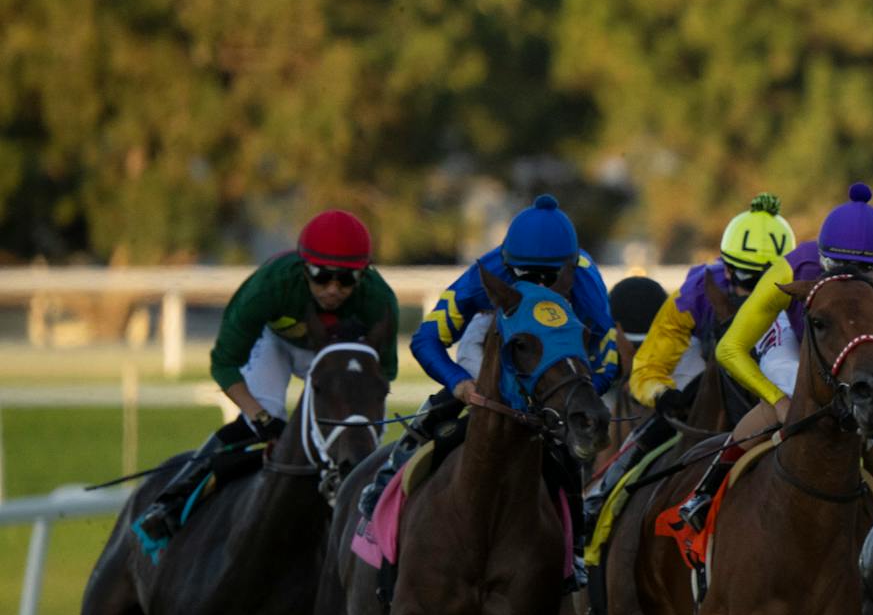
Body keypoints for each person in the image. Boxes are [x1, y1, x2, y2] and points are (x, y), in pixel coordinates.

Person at [673, 183, 873, 530]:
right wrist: (777, 403)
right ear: (822, 260)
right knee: (789, 379)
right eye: (838, 266)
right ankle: (704, 492)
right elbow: (729, 349)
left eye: (864, 272)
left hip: (850, 349)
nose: (849, 280)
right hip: (795, 334)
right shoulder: (791, 269)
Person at [135, 210, 398, 546]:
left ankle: (374, 518)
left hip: (339, 355)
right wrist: (260, 417)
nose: (333, 289)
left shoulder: (378, 300)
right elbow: (224, 364)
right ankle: (173, 501)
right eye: (321, 277)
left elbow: (383, 374)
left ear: (364, 275)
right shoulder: (269, 287)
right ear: (304, 268)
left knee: (354, 433)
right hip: (277, 344)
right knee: (258, 423)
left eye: (346, 279)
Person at [359, 194, 617, 530]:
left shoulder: (585, 283)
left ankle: (577, 538)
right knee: (451, 402)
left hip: (557, 350)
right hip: (495, 334)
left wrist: (572, 396)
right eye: (525, 275)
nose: (536, 287)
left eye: (547, 278)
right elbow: (427, 339)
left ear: (567, 271)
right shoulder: (488, 272)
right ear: (508, 265)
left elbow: (607, 361)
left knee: (568, 446)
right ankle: (391, 473)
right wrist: (458, 383)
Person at [585, 195, 796, 513]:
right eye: (750, 281)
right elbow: (648, 367)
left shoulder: (806, 292)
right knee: (680, 399)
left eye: (770, 281)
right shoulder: (695, 294)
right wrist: (664, 395)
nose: (759, 294)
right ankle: (604, 498)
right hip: (707, 362)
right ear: (727, 269)